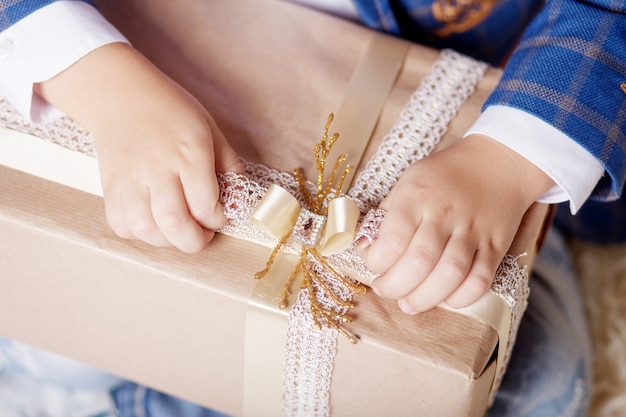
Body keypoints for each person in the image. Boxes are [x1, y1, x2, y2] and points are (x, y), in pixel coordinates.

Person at [0, 0, 623, 416]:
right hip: (134, 59)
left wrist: (507, 162)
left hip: (470, 131)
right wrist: (105, 88)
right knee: (43, 312)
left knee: (541, 387)